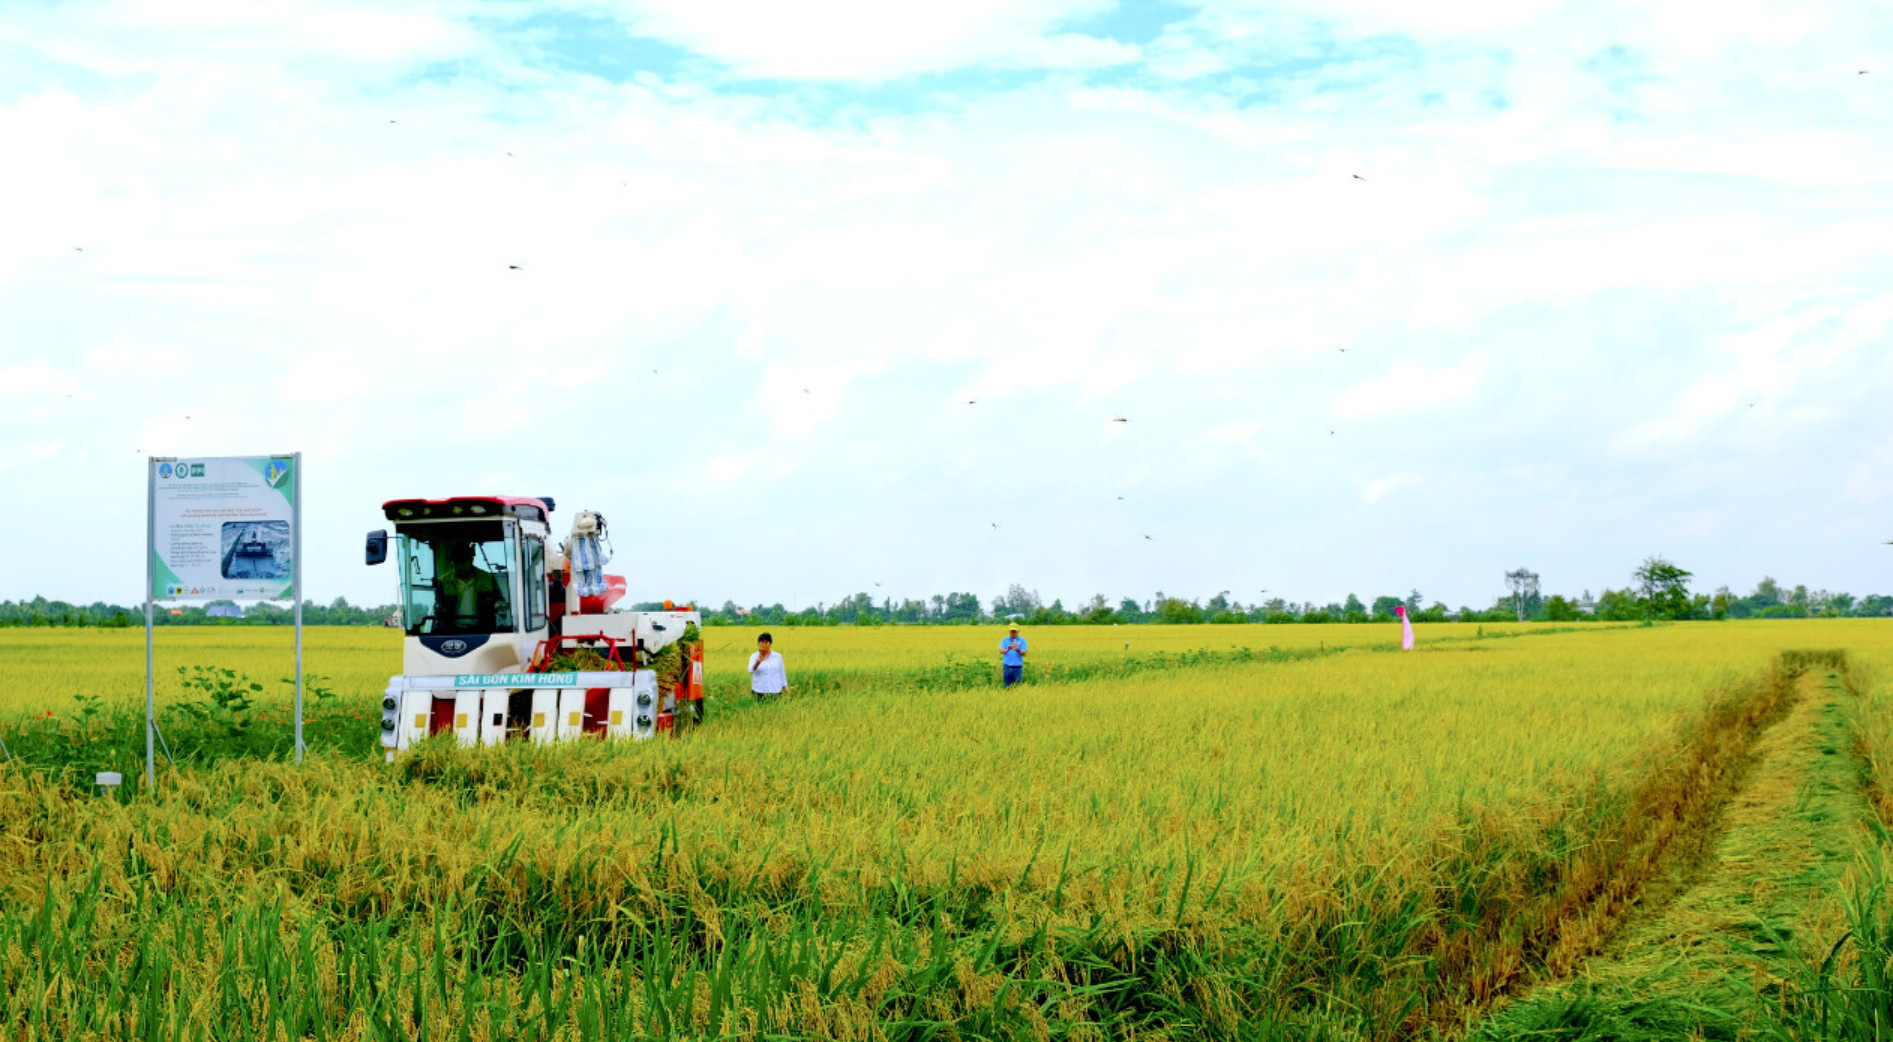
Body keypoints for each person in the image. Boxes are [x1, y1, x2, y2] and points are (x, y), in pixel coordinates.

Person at [434, 542, 503, 631]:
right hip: (452, 630)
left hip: (482, 629)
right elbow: (439, 604)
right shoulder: (444, 581)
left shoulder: (487, 578)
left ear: (471, 561)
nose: (459, 566)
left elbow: (499, 600)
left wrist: (497, 605)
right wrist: (439, 609)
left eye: (462, 562)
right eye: (456, 563)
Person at [748, 632, 789, 700]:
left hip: (775, 690)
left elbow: (781, 672)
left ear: (770, 644)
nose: (764, 645)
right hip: (759, 691)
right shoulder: (754, 656)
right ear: (758, 644)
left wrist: (785, 686)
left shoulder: (777, 656)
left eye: (766, 642)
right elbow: (750, 670)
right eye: (762, 642)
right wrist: (757, 663)